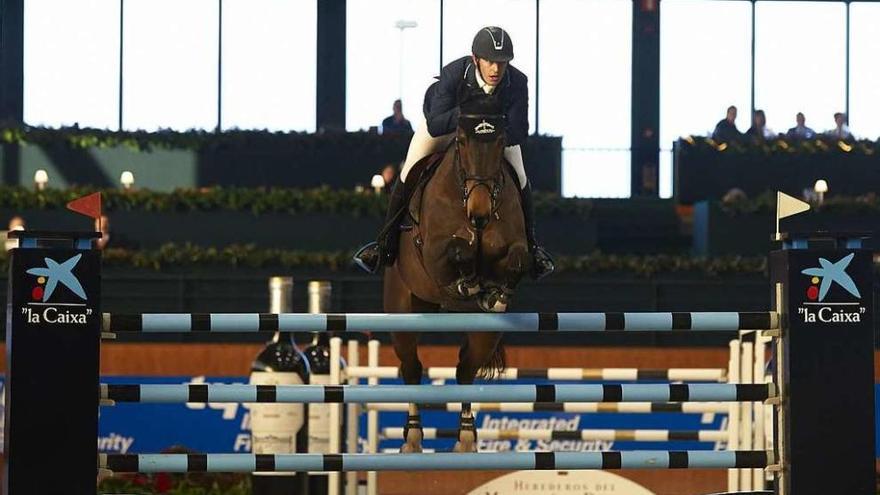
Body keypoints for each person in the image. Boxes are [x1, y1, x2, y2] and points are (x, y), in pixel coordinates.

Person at [355, 26, 554, 278]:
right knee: (408, 171)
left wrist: (489, 128)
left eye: (502, 63)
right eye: (490, 62)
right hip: (446, 130)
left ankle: (533, 247)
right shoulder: (453, 74)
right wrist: (468, 115)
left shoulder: (517, 82)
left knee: (521, 177)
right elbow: (436, 122)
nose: (496, 70)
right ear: (476, 59)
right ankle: (384, 245)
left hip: (492, 138)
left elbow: (519, 131)